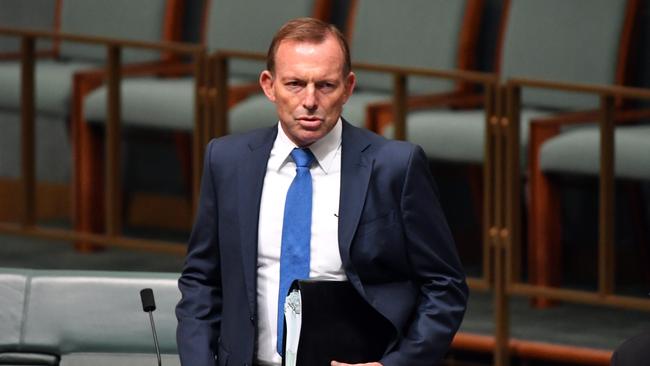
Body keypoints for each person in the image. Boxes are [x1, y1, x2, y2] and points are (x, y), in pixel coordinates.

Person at [176, 17, 468, 366]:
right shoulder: (227, 160)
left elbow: (445, 286)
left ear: (348, 87)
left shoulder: (394, 166)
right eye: (295, 84)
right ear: (269, 86)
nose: (310, 100)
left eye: (326, 86)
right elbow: (201, 279)